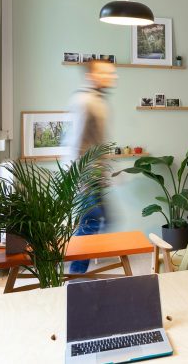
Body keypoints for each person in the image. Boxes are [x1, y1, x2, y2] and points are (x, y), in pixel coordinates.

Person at [66, 59, 117, 275]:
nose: (111, 77)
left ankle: (78, 273)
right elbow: (76, 143)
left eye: (112, 73)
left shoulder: (99, 102)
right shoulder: (85, 102)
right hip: (86, 179)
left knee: (104, 221)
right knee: (90, 226)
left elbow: (98, 143)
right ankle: (75, 278)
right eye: (105, 73)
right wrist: (79, 182)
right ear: (91, 76)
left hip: (96, 178)